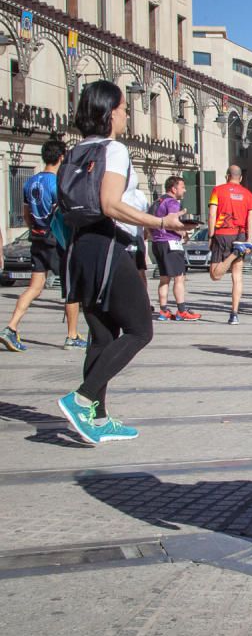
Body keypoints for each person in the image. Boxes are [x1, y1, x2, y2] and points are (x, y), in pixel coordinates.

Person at [56, 80, 187, 443]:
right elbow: (111, 204)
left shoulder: (74, 152)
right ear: (110, 111)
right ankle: (83, 399)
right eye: (124, 108)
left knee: (101, 336)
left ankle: (95, 419)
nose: (127, 114)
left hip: (81, 247)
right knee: (140, 329)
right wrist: (163, 222)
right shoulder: (113, 149)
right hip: (109, 245)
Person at [1, 139, 88, 352]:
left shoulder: (29, 182)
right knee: (71, 288)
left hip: (37, 238)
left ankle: (11, 327)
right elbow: (66, 213)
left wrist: (34, 229)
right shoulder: (57, 184)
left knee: (35, 287)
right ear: (61, 157)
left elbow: (25, 214)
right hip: (56, 240)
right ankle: (72, 336)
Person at [208, 165, 252, 325]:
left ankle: (234, 254)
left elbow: (212, 213)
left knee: (215, 275)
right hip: (240, 236)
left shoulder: (217, 190)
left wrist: (210, 235)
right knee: (237, 277)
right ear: (241, 178)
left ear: (227, 176)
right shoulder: (249, 195)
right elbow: (251, 219)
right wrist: (249, 240)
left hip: (222, 233)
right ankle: (234, 314)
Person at [150, 176, 200, 321]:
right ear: (173, 188)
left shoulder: (157, 202)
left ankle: (163, 311)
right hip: (171, 243)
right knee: (179, 277)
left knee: (164, 278)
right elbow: (174, 223)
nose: (184, 190)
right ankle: (181, 310)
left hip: (157, 243)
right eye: (182, 187)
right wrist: (184, 232)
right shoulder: (172, 203)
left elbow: (148, 222)